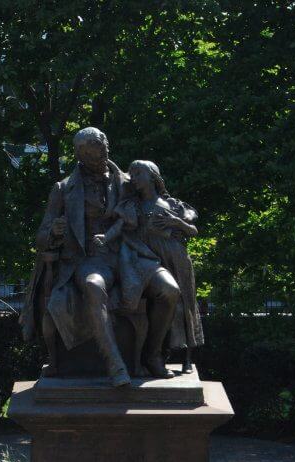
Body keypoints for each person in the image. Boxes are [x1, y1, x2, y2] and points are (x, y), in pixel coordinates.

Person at [20, 128, 181, 386]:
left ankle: (152, 356)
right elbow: (41, 236)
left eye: (104, 154)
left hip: (132, 254)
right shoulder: (63, 189)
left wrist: (179, 224)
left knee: (170, 290)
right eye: (94, 159)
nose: (101, 162)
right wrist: (54, 230)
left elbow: (162, 201)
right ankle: (115, 365)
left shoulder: (130, 182)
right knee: (94, 286)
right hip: (90, 259)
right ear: (80, 157)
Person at [115, 160, 204, 372]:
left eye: (139, 174)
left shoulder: (171, 204)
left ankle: (187, 357)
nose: (134, 178)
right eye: (132, 174)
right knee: (164, 301)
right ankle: (156, 354)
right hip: (148, 259)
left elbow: (193, 230)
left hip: (176, 258)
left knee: (185, 304)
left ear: (153, 177)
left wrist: (178, 223)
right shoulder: (132, 205)